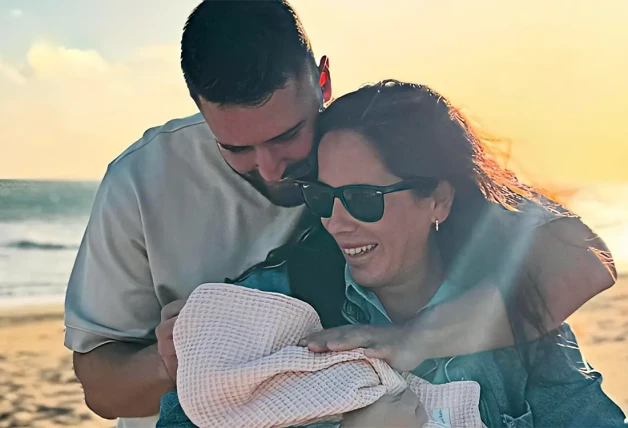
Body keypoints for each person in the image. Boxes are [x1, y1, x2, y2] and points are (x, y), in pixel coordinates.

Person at [63, 1, 617, 427]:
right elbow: (99, 387)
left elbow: (585, 260)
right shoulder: (143, 180)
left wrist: (418, 339)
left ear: (322, 84)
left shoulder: (369, 137)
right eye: (236, 150)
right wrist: (198, 352)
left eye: (287, 137)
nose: (274, 170)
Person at [295, 80, 626, 426]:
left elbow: (590, 259)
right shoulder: (295, 312)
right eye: (321, 197)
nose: (335, 223)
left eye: (363, 199)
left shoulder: (519, 321)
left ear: (438, 199)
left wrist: (413, 340)